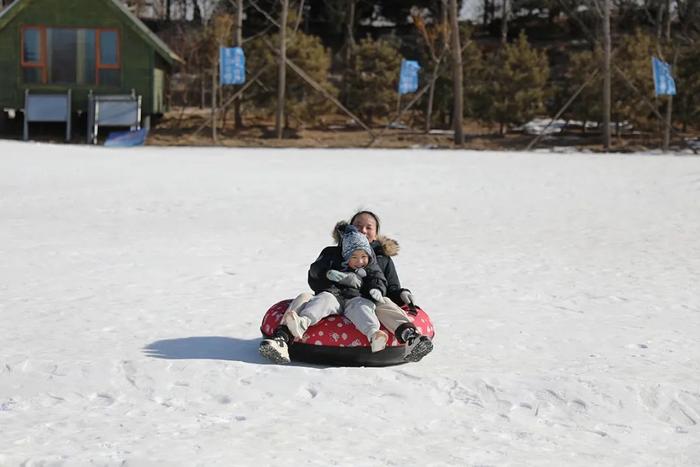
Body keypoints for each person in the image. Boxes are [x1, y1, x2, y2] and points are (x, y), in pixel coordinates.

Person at [259, 211, 433, 364]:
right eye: (358, 226)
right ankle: (281, 339)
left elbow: (390, 287)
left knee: (384, 301)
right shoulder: (331, 253)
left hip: (366, 302)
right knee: (305, 297)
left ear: (376, 233)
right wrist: (328, 274)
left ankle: (412, 337)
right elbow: (315, 281)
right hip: (332, 297)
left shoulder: (381, 260)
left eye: (368, 227)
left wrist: (402, 294)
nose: (363, 230)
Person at [259, 222, 389, 364]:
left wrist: (376, 289)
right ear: (346, 255)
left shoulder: (372, 263)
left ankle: (374, 335)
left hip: (356, 298)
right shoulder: (330, 254)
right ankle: (301, 324)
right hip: (334, 294)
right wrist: (327, 274)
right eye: (354, 257)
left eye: (363, 257)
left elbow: (378, 278)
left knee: (363, 308)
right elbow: (315, 271)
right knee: (323, 301)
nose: (359, 261)